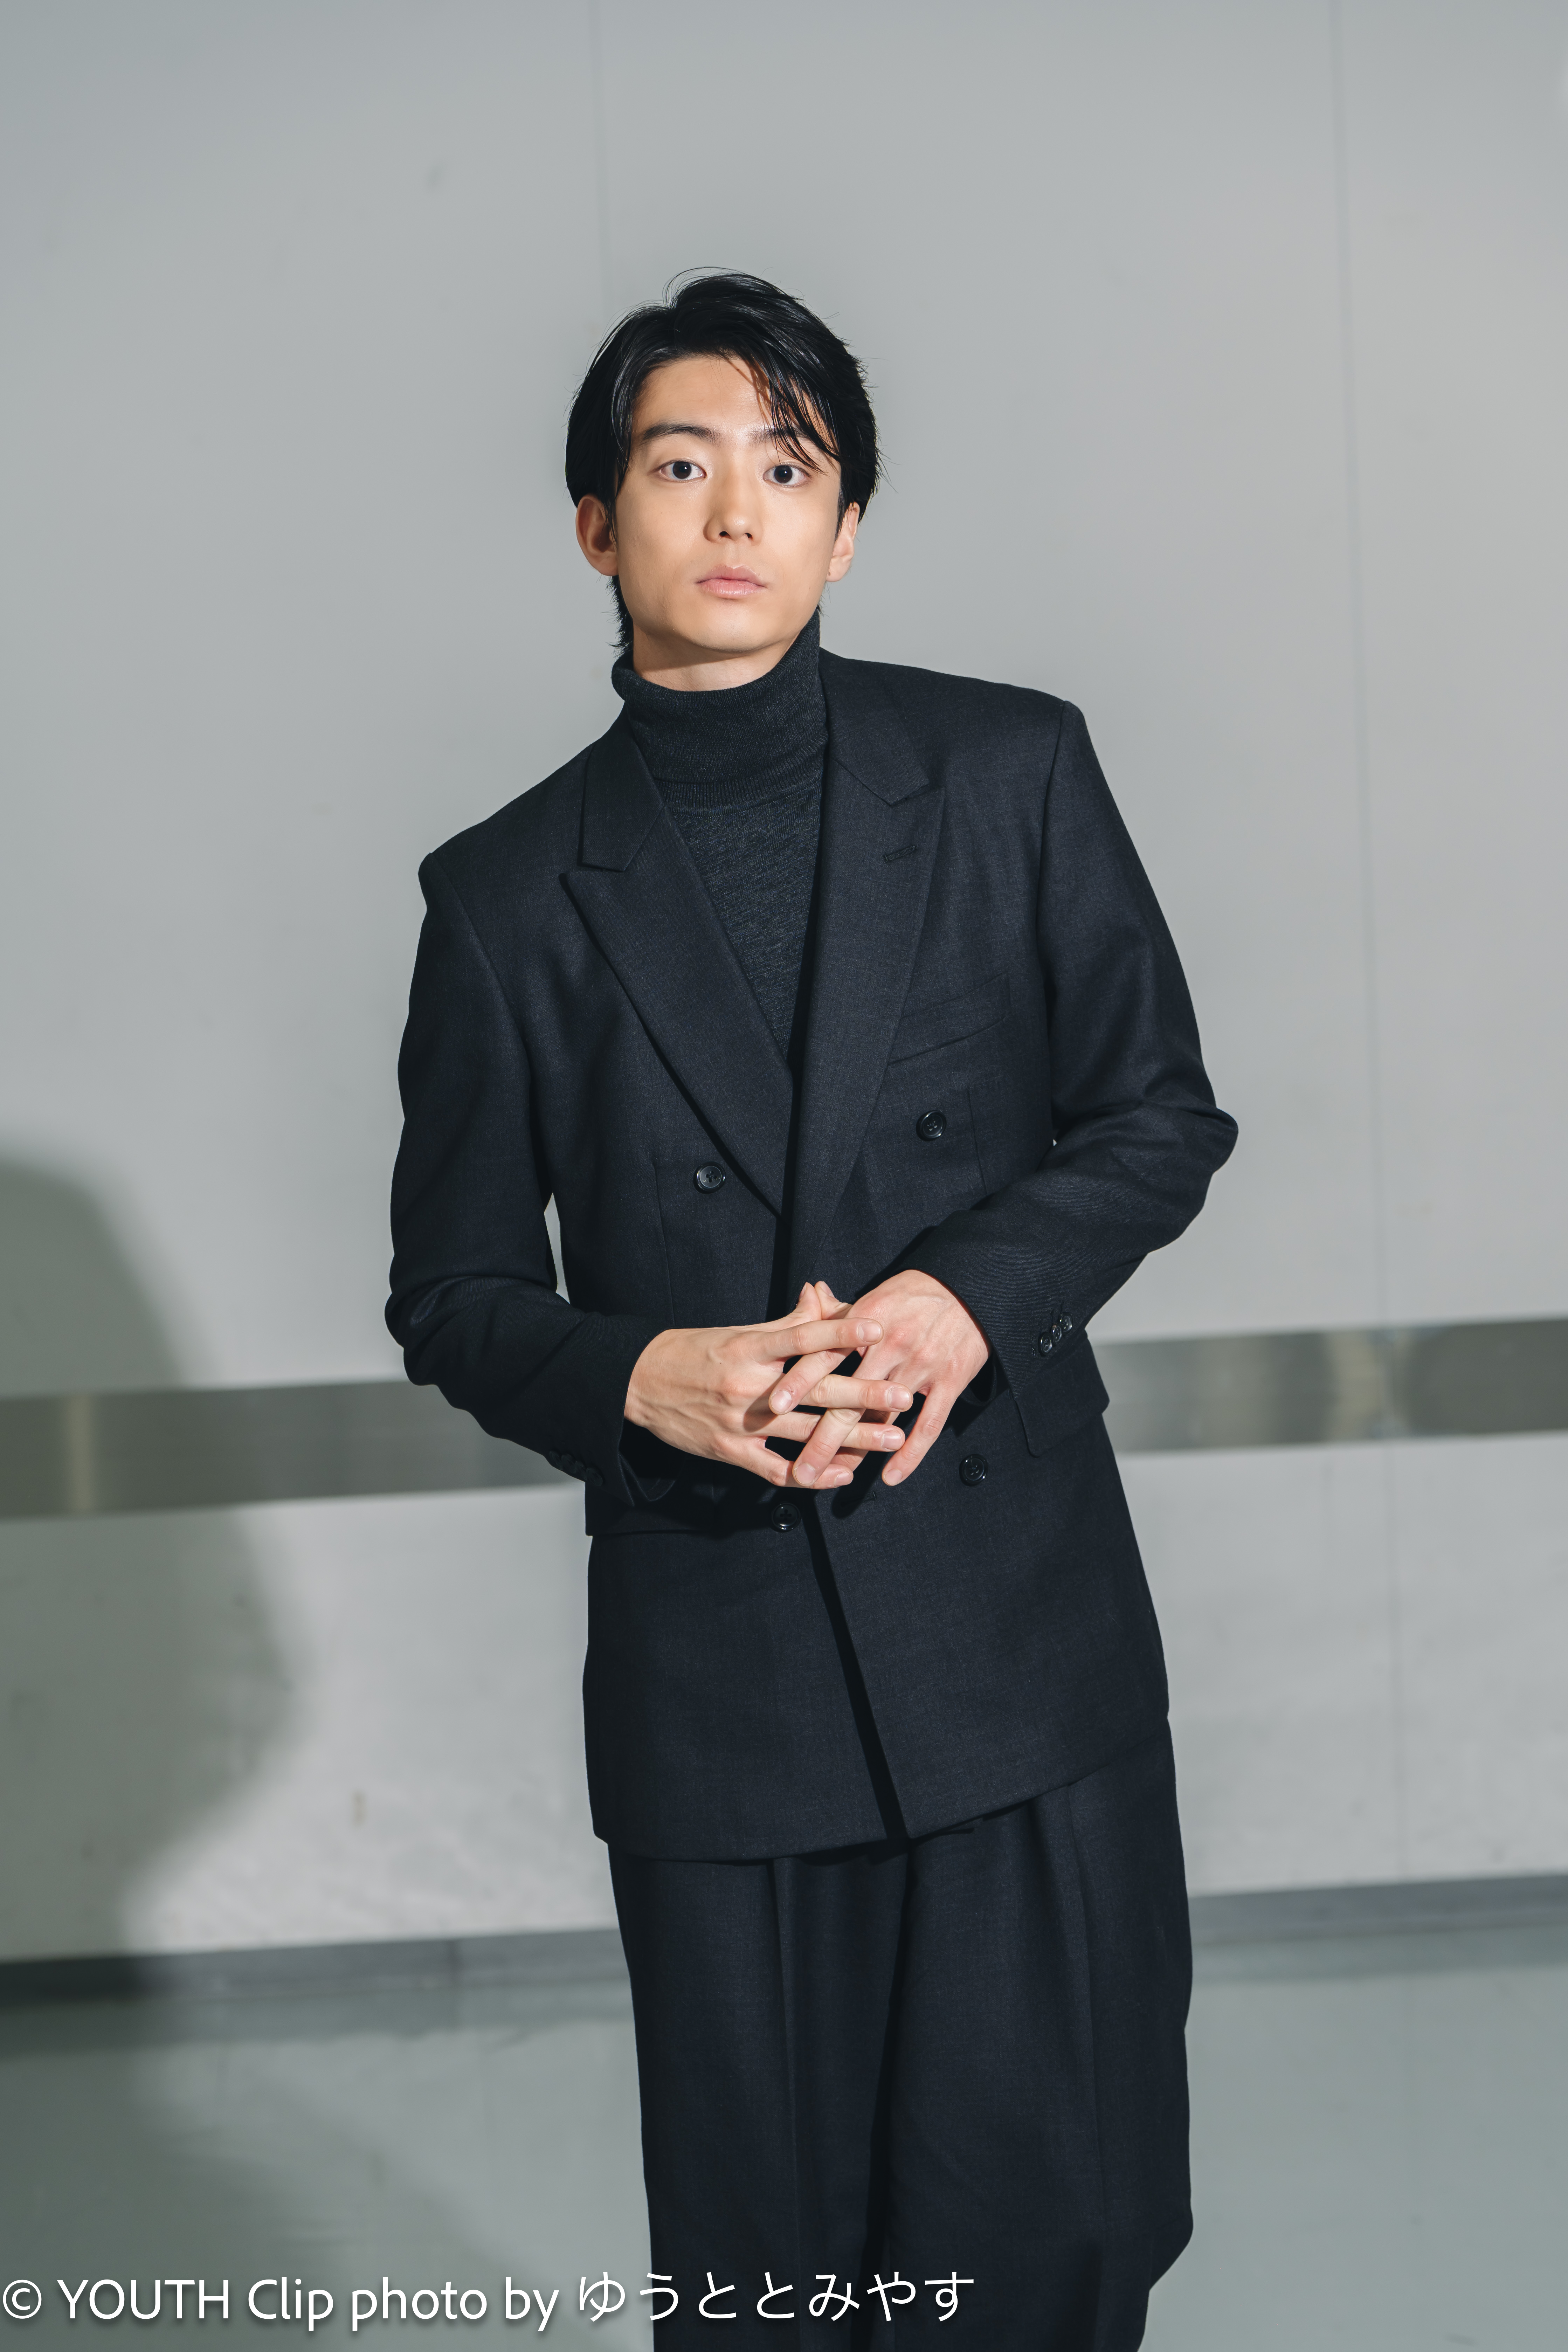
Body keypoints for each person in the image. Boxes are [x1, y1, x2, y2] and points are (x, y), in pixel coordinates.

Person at [387, 271, 1236, 2347]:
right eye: (680, 465)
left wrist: (963, 1302)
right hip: (725, 1680)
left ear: (846, 529)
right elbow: (456, 1294)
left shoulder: (1011, 770)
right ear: (596, 523)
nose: (734, 509)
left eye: (789, 467)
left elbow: (1158, 1115)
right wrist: (647, 1377)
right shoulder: (503, 896)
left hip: (1020, 1645)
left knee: (1058, 2244)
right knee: (776, 2288)